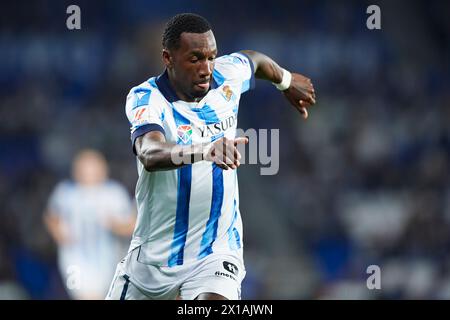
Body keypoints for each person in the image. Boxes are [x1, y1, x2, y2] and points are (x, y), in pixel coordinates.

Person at [106, 13, 315, 300]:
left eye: (211, 57)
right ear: (168, 58)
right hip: (154, 259)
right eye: (195, 59)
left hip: (216, 252)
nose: (206, 68)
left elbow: (253, 60)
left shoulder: (226, 76)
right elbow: (149, 153)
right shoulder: (147, 98)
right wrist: (206, 150)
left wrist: (286, 81)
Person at [44, 149, 136, 300]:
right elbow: (51, 216)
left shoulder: (113, 193)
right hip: (75, 259)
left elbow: (131, 225)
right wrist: (59, 234)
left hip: (109, 257)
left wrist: (114, 225)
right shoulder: (66, 192)